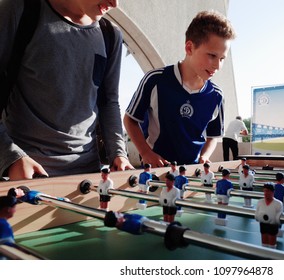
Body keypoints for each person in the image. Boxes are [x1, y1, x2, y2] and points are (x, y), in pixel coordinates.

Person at [0, 0, 133, 180]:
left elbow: (109, 102)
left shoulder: (110, 35)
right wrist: (11, 157)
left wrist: (119, 153)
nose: (115, 3)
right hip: (26, 173)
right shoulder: (19, 11)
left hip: (88, 173)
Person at [123, 10, 236, 167]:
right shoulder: (155, 80)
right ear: (189, 48)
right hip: (156, 173)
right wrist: (146, 153)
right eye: (211, 55)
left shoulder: (217, 96)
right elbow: (130, 120)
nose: (217, 65)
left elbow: (213, 136)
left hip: (192, 174)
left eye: (222, 59)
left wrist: (204, 156)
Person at [255, 183, 283, 248]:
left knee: (272, 244)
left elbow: (278, 218)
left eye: (267, 191)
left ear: (272, 192)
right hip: (263, 224)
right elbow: (257, 213)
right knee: (264, 243)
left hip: (273, 225)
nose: (265, 193)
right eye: (264, 191)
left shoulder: (278, 204)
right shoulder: (260, 202)